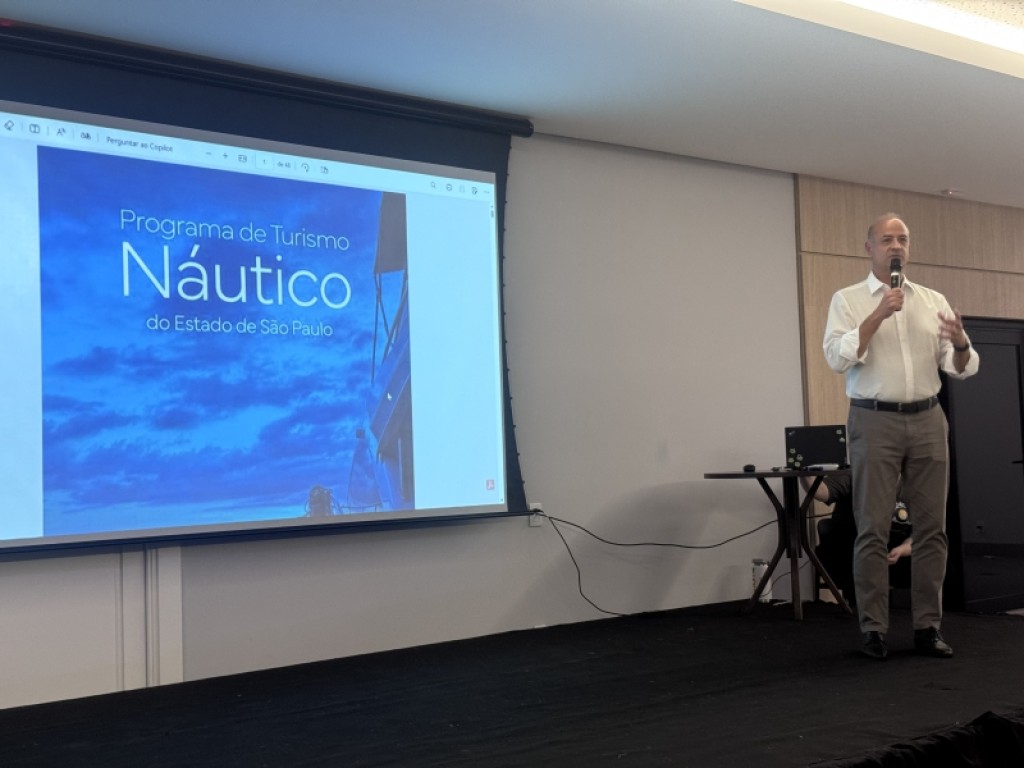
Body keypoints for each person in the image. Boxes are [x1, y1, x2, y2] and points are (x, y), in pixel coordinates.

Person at [823, 213, 979, 660]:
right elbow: (837, 358)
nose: (896, 246)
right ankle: (874, 628)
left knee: (932, 529)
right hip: (874, 420)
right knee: (872, 528)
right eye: (887, 239)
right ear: (869, 248)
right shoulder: (848, 300)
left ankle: (928, 627)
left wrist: (961, 342)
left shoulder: (932, 300)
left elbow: (961, 367)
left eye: (903, 239)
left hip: (928, 417)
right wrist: (877, 315)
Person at [806, 473, 912, 606]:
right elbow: (821, 491)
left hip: (896, 553)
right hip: (852, 550)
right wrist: (805, 472)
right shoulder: (856, 474)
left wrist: (902, 550)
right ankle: (856, 606)